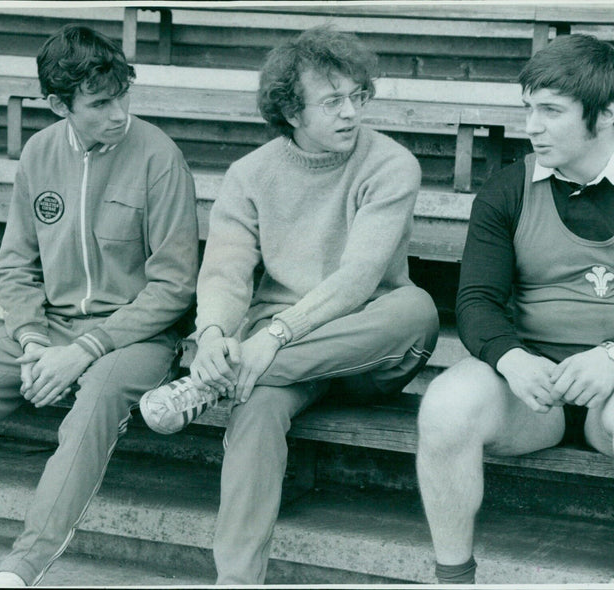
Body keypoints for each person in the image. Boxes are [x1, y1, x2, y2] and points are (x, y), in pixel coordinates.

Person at [415, 33, 614, 585]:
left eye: (551, 111)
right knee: (444, 405)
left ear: (605, 112)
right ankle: (453, 577)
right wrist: (509, 356)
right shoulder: (509, 188)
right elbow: (477, 301)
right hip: (536, 388)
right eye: (528, 109)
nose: (531, 125)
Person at [139, 25, 439, 584]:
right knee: (256, 403)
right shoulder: (250, 175)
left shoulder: (391, 164)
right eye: (333, 102)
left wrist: (270, 339)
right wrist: (210, 337)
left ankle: (214, 383)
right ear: (291, 112)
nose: (351, 113)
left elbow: (357, 280)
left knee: (417, 308)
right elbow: (226, 272)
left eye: (358, 96)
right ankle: (236, 579)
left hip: (366, 344)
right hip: (273, 358)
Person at [0, 24, 199, 587]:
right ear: (60, 104)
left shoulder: (160, 156)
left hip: (136, 336)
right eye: (100, 103)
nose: (119, 114)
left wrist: (84, 350)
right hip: (48, 327)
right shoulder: (39, 153)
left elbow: (174, 287)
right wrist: (35, 340)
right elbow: (16, 266)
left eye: (123, 97)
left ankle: (21, 567)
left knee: (96, 400)